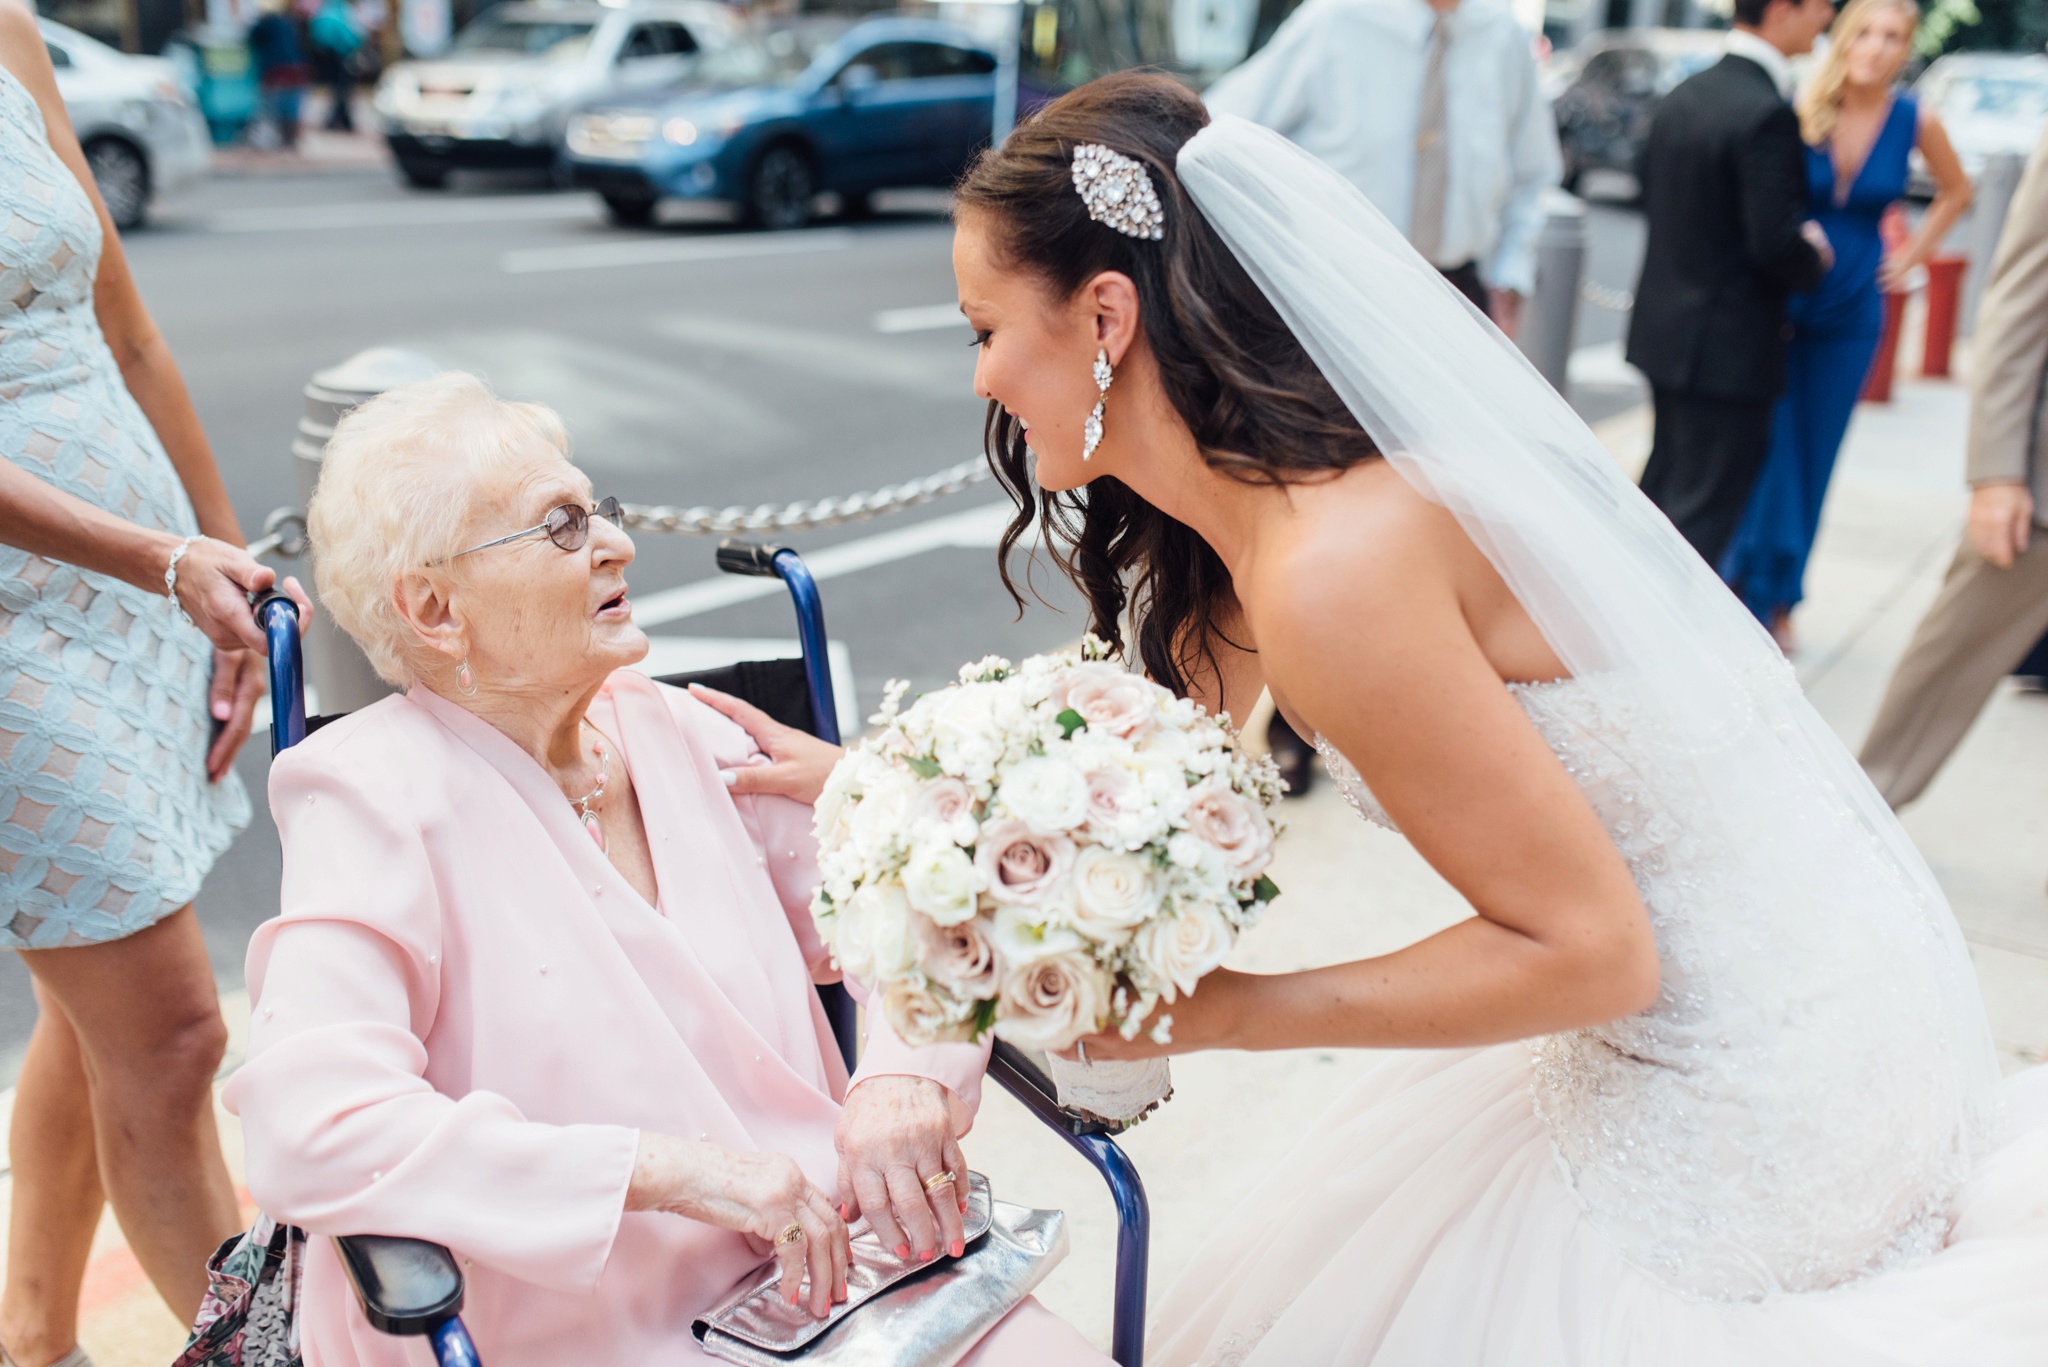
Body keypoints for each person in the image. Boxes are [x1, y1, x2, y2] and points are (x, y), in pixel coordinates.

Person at [954, 72, 2048, 1363]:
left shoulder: (1334, 569)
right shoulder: (1272, 509)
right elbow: (1122, 767)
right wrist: (886, 792)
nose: (980, 374)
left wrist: (1229, 1006)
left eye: (982, 327)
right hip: (1817, 971)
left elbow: (1594, 953)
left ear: (1104, 314)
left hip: (1762, 1081)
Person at [221, 373, 1107, 1367]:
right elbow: (312, 1126)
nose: (616, 542)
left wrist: (901, 1075)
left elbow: (910, 903)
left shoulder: (683, 729)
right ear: (433, 608)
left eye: (596, 508)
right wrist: (674, 1172)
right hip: (577, 1328)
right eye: (560, 526)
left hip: (837, 1295)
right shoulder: (365, 795)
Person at [0, 11, 311, 1367]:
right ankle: (252, 1356)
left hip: (145, 592)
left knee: (100, 1007)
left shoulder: (9, 28)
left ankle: (29, 1333)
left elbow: (125, 331)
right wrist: (164, 555)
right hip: (21, 621)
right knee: (177, 1032)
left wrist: (219, 563)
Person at [1720, 0, 1972, 651]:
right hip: (1784, 296)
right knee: (1768, 447)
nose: (1877, 48)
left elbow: (1957, 192)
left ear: (1907, 48)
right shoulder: (1801, 105)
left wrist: (1911, 257)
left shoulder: (1915, 118)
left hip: (1855, 307)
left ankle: (1783, 598)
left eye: (1893, 37)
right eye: (1866, 33)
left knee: (1815, 454)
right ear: (1843, 38)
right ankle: (1742, 584)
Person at [1858, 120, 2048, 808]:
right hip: (2041, 492)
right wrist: (1998, 471)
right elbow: (2022, 301)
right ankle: (1851, 825)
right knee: (1939, 679)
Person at [1202, 0, 1559, 334]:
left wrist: (1509, 277)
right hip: (1337, 291)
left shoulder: (1504, 36)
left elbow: (1533, 174)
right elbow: (1216, 127)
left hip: (1458, 296)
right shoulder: (1337, 19)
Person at [1628, 0, 1837, 568]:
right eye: (1820, 4)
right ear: (1780, 11)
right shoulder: (1765, 112)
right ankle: (1649, 648)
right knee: (1698, 524)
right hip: (1726, 349)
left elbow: (1649, 191)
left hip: (1665, 334)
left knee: (1661, 499)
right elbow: (1772, 242)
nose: (1828, 16)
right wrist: (1813, 256)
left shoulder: (1683, 96)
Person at [247, 0, 308, 150]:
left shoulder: (264, 25)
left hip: (275, 70)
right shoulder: (288, 23)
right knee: (291, 106)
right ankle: (290, 139)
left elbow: (251, 38)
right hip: (296, 67)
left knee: (272, 107)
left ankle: (270, 139)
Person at [306, 0, 361, 133]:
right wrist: (356, 45)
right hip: (342, 55)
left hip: (327, 55)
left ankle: (341, 119)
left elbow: (316, 34)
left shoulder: (323, 11)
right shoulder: (341, 11)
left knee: (337, 89)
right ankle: (341, 120)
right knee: (343, 89)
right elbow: (350, 35)